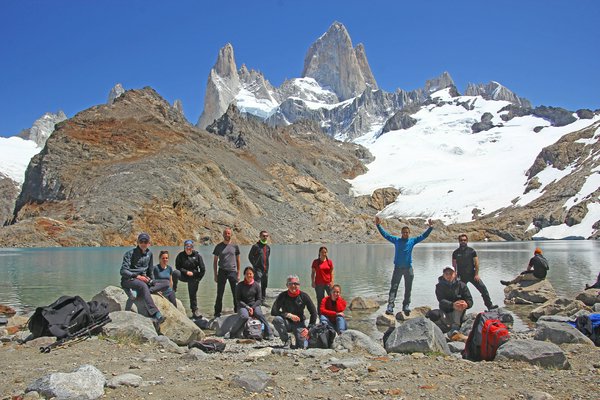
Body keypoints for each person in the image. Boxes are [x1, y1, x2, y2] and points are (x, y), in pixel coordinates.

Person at [375, 216, 434, 315]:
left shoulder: (412, 241)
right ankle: (390, 306)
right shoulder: (396, 240)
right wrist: (378, 225)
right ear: (401, 233)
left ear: (409, 233)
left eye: (407, 232)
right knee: (394, 287)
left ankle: (406, 306)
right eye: (404, 232)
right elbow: (385, 235)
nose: (405, 234)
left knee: (408, 288)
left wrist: (430, 228)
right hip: (397, 268)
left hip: (408, 269)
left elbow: (423, 236)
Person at [120, 233, 165, 324]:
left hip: (143, 279)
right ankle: (155, 314)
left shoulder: (149, 254)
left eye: (146, 241)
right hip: (130, 279)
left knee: (166, 283)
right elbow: (123, 271)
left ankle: (141, 292)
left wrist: (152, 282)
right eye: (141, 241)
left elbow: (150, 271)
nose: (143, 243)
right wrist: (137, 276)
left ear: (149, 243)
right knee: (143, 285)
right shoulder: (130, 253)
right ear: (138, 242)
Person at [452, 234, 498, 310]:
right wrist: (455, 274)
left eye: (464, 240)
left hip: (472, 275)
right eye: (461, 240)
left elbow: (476, 263)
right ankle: (459, 309)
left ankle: (489, 306)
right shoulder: (455, 252)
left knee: (483, 289)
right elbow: (454, 265)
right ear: (459, 241)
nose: (463, 241)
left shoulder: (471, 251)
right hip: (461, 276)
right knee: (459, 294)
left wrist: (476, 274)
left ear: (467, 241)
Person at [271, 275, 318, 349]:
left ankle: (299, 338)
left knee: (302, 346)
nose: (293, 286)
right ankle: (286, 340)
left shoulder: (304, 296)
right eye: (291, 283)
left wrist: (309, 328)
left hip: (299, 324)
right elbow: (273, 311)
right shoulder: (282, 296)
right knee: (277, 319)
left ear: (299, 285)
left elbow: (314, 312)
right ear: (287, 285)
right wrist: (289, 315)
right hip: (287, 323)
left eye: (296, 284)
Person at [428, 265, 473, 341]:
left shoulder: (462, 285)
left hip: (458, 312)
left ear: (455, 274)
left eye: (450, 273)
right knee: (432, 314)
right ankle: (445, 328)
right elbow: (441, 300)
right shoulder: (439, 286)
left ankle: (455, 328)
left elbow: (470, 300)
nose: (448, 276)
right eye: (446, 274)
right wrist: (452, 305)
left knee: (460, 303)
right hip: (445, 311)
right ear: (443, 275)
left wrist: (466, 304)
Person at [229, 266, 273, 339]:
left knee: (259, 314)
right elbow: (238, 300)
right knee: (244, 316)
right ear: (244, 275)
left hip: (254, 305)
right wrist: (247, 307)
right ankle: (232, 332)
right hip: (243, 306)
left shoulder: (256, 285)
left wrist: (252, 308)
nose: (249, 275)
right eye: (247, 274)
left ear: (253, 275)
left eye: (250, 274)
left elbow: (259, 299)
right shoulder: (240, 285)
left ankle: (269, 333)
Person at [213, 227, 241, 318]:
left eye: (228, 233)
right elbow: (215, 261)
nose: (227, 235)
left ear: (231, 235)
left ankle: (237, 311)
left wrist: (239, 273)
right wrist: (215, 274)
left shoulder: (235, 246)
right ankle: (217, 313)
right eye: (225, 233)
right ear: (223, 235)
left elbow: (238, 260)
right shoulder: (218, 246)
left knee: (235, 293)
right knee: (220, 293)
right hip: (222, 271)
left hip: (232, 271)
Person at [173, 240, 206, 318]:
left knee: (192, 294)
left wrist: (198, 279)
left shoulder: (197, 256)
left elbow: (203, 269)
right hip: (184, 275)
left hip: (193, 277)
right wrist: (186, 272)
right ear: (184, 247)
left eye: (190, 246)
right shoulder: (180, 255)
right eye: (187, 246)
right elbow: (178, 267)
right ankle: (174, 287)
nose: (188, 248)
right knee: (175, 273)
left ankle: (194, 310)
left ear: (192, 247)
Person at [248, 230, 270, 301]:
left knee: (264, 285)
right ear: (260, 236)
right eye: (263, 236)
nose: (265, 237)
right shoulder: (255, 246)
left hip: (265, 270)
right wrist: (255, 265)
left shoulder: (268, 247)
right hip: (258, 269)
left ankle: (263, 300)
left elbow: (267, 257)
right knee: (256, 285)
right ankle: (254, 299)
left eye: (266, 236)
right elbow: (250, 256)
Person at [311, 246, 334, 312]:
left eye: (325, 252)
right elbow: (313, 273)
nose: (324, 254)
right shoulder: (315, 262)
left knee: (332, 297)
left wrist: (332, 281)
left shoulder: (329, 262)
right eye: (322, 252)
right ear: (319, 253)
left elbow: (331, 272)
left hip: (328, 283)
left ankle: (332, 312)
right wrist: (313, 282)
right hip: (318, 284)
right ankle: (320, 314)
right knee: (320, 300)